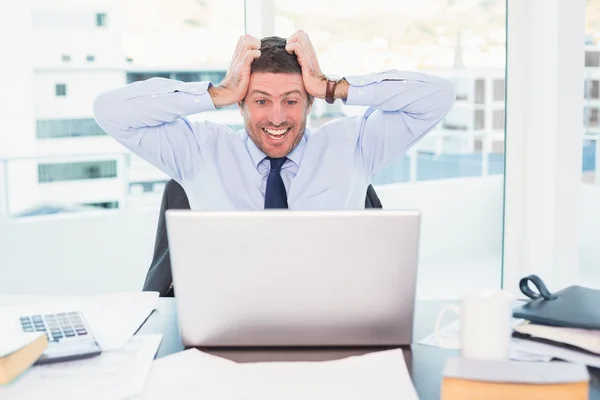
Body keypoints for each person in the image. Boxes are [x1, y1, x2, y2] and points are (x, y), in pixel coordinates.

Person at [93, 30, 455, 210]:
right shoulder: (199, 151)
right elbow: (110, 110)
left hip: (328, 318)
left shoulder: (353, 147)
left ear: (311, 103)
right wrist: (217, 93)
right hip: (227, 321)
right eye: (261, 100)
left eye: (292, 100)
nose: (277, 117)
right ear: (241, 104)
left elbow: (438, 96)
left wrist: (331, 86)